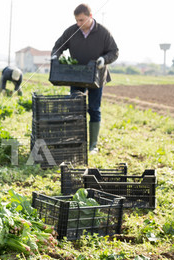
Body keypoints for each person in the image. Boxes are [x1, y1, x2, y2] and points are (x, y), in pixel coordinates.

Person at [51, 3, 119, 153]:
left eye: (81, 20)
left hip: (97, 76)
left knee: (94, 109)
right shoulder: (72, 31)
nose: (79, 23)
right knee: (75, 108)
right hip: (76, 75)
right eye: (77, 20)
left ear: (90, 16)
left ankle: (93, 145)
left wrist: (104, 59)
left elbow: (114, 51)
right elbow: (58, 46)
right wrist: (56, 55)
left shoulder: (103, 33)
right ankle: (75, 142)